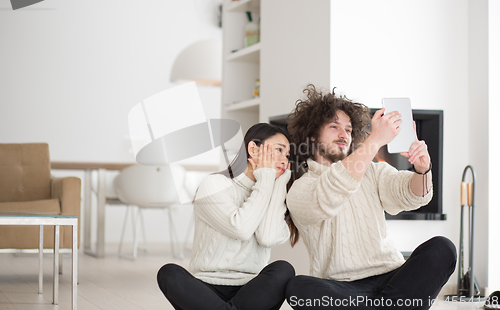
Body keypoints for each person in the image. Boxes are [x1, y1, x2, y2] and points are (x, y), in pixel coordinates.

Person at [284, 86, 456, 310]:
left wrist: (423, 169)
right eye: (334, 126)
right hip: (343, 289)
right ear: (313, 135)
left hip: (393, 279)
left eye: (348, 129)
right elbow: (330, 192)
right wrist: (374, 141)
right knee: (298, 288)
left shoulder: (372, 172)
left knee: (443, 248)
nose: (343, 134)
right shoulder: (301, 188)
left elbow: (413, 195)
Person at [157, 123, 296, 310]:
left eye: (287, 156)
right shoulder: (214, 184)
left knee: (284, 269)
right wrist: (265, 181)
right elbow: (241, 228)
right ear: (253, 149)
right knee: (169, 273)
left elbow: (267, 237)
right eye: (279, 150)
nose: (283, 160)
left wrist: (276, 186)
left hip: (251, 290)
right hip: (207, 286)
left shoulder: (275, 196)